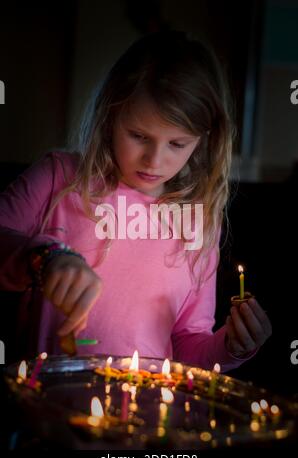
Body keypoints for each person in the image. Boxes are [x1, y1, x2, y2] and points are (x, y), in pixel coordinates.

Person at [0, 30, 272, 371]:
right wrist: (44, 257)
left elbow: (188, 344)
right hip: (48, 409)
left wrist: (231, 347)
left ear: (203, 140)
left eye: (177, 144)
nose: (154, 161)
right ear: (112, 116)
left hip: (149, 416)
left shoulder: (197, 220)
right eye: (139, 136)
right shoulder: (59, 179)